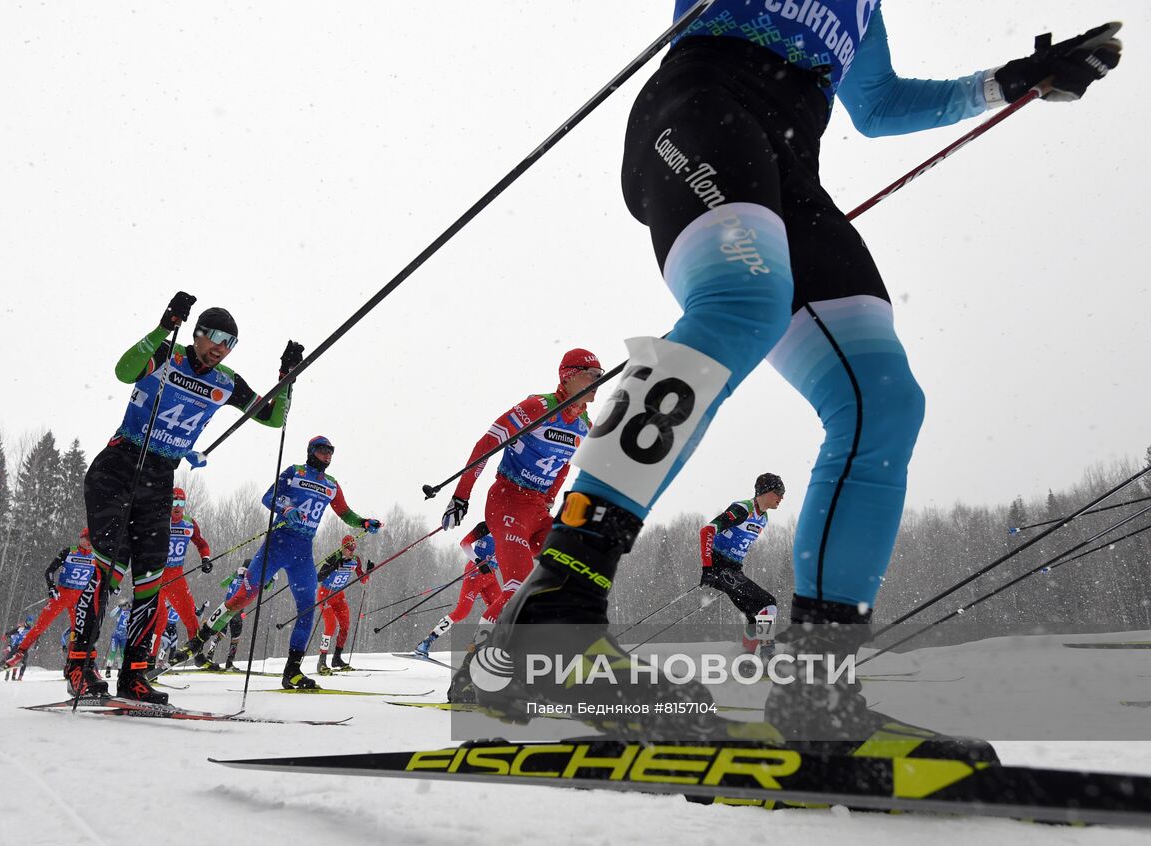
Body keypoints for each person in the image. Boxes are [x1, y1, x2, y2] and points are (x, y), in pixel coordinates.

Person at [473, 4, 1123, 750]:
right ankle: (558, 606)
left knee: (881, 400)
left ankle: (819, 690)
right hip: (698, 108)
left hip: (788, 164)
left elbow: (877, 105)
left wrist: (1010, 81)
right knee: (744, 301)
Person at [62, 292, 302, 704]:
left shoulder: (226, 381)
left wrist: (287, 379)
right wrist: (163, 327)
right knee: (110, 570)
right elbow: (124, 371)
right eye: (216, 338)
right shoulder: (168, 356)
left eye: (230, 343)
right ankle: (79, 666)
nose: (221, 348)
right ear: (197, 333)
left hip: (159, 478)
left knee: (150, 579)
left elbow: (273, 417)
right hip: (119, 467)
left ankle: (134, 674)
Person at [437, 349, 599, 700]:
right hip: (507, 500)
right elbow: (487, 443)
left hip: (537, 510)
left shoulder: (584, 426)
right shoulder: (537, 407)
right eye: (591, 374)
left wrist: (551, 498)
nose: (598, 381)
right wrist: (461, 495)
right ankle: (468, 676)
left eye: (601, 374)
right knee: (516, 590)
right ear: (569, 375)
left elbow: (565, 465)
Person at [213, 437, 382, 689]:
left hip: (302, 551)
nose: (327, 455)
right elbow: (268, 497)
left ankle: (292, 670)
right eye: (322, 450)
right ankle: (200, 638)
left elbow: (345, 513)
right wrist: (287, 509)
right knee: (242, 598)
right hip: (278, 544)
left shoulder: (331, 484)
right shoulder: (295, 472)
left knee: (306, 610)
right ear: (311, 452)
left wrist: (364, 522)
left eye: (331, 452)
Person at [0, 529, 94, 677]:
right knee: (40, 626)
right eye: (87, 538)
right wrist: (51, 587)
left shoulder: (95, 556)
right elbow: (49, 571)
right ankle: (19, 654)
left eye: (92, 539)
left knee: (78, 631)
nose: (89, 542)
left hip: (80, 598)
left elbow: (102, 576)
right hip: (62, 595)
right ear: (81, 538)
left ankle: (73, 664)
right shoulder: (69, 551)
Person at [700, 474, 784, 657]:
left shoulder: (763, 518)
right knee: (768, 602)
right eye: (779, 492)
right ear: (766, 491)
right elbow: (707, 531)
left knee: (756, 614)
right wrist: (707, 568)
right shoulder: (743, 509)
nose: (782, 497)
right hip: (719, 567)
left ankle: (746, 659)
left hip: (734, 570)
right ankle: (768, 654)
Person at [413, 521, 502, 657]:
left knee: (501, 612)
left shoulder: (511, 530)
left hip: (491, 576)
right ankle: (427, 641)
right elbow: (465, 543)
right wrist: (478, 561)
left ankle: (484, 649)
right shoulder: (486, 526)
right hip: (475, 572)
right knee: (462, 612)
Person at [153, 488, 213, 657]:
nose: (177, 506)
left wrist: (205, 559)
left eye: (181, 502)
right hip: (157, 575)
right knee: (159, 618)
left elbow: (201, 543)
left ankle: (198, 655)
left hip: (176, 575)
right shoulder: (159, 520)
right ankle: (149, 660)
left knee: (190, 616)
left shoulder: (189, 523)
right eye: (174, 502)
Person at [315, 534, 371, 674]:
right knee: (331, 625)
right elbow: (318, 577)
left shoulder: (355, 560)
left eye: (353, 549)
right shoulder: (334, 557)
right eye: (348, 548)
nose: (351, 551)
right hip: (326, 594)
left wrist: (369, 572)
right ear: (342, 547)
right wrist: (334, 567)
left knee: (345, 625)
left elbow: (363, 580)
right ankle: (322, 661)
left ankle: (337, 658)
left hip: (339, 595)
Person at [103, 600, 130, 679]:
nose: (125, 607)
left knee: (122, 654)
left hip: (124, 637)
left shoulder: (130, 612)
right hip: (116, 636)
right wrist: (118, 607)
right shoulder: (120, 611)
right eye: (124, 606)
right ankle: (108, 670)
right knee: (113, 652)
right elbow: (111, 614)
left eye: (126, 606)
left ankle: (120, 670)